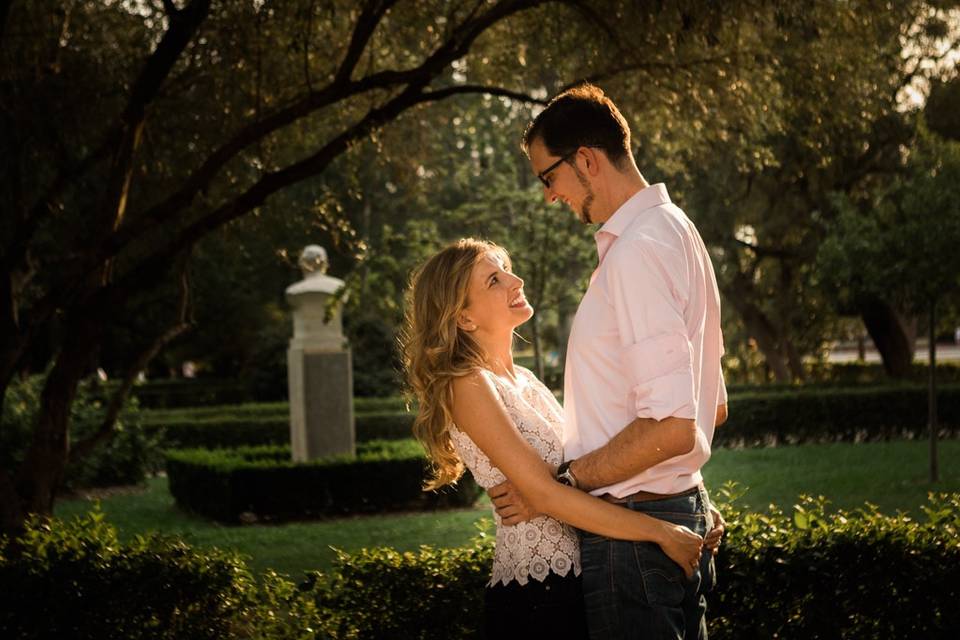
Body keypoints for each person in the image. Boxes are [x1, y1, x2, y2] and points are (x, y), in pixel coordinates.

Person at [489, 84, 728, 639]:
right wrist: (685, 498)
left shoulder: (638, 250)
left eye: (548, 176)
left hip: (636, 545)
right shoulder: (680, 233)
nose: (550, 196)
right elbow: (711, 409)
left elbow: (672, 427)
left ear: (587, 161)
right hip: (675, 516)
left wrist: (562, 483)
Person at [401, 238, 715, 639]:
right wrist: (661, 532)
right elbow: (544, 494)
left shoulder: (528, 382)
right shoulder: (466, 384)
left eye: (507, 269)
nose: (517, 280)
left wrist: (689, 506)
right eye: (495, 280)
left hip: (586, 578)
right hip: (541, 596)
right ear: (463, 318)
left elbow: (580, 473)